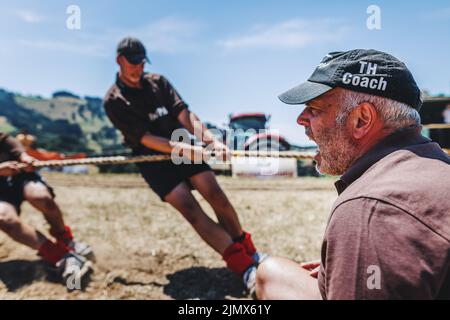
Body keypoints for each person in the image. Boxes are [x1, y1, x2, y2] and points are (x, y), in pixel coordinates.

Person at [256, 49, 450, 299]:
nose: (300, 120)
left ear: (361, 120)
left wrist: (365, 245)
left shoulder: (370, 208)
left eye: (314, 109)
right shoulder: (436, 164)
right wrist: (352, 265)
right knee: (271, 273)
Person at [103, 37, 264, 293]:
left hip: (183, 146)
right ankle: (244, 267)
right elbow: (144, 138)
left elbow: (184, 114)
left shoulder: (159, 83)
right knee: (190, 208)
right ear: (119, 60)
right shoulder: (114, 100)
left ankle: (252, 254)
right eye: (133, 62)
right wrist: (184, 149)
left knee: (215, 194)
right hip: (154, 159)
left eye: (142, 62)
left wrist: (210, 141)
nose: (138, 68)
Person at [0, 132, 92, 284]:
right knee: (4, 218)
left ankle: (66, 241)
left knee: (42, 198)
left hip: (21, 177)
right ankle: (63, 257)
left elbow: (16, 148)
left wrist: (26, 159)